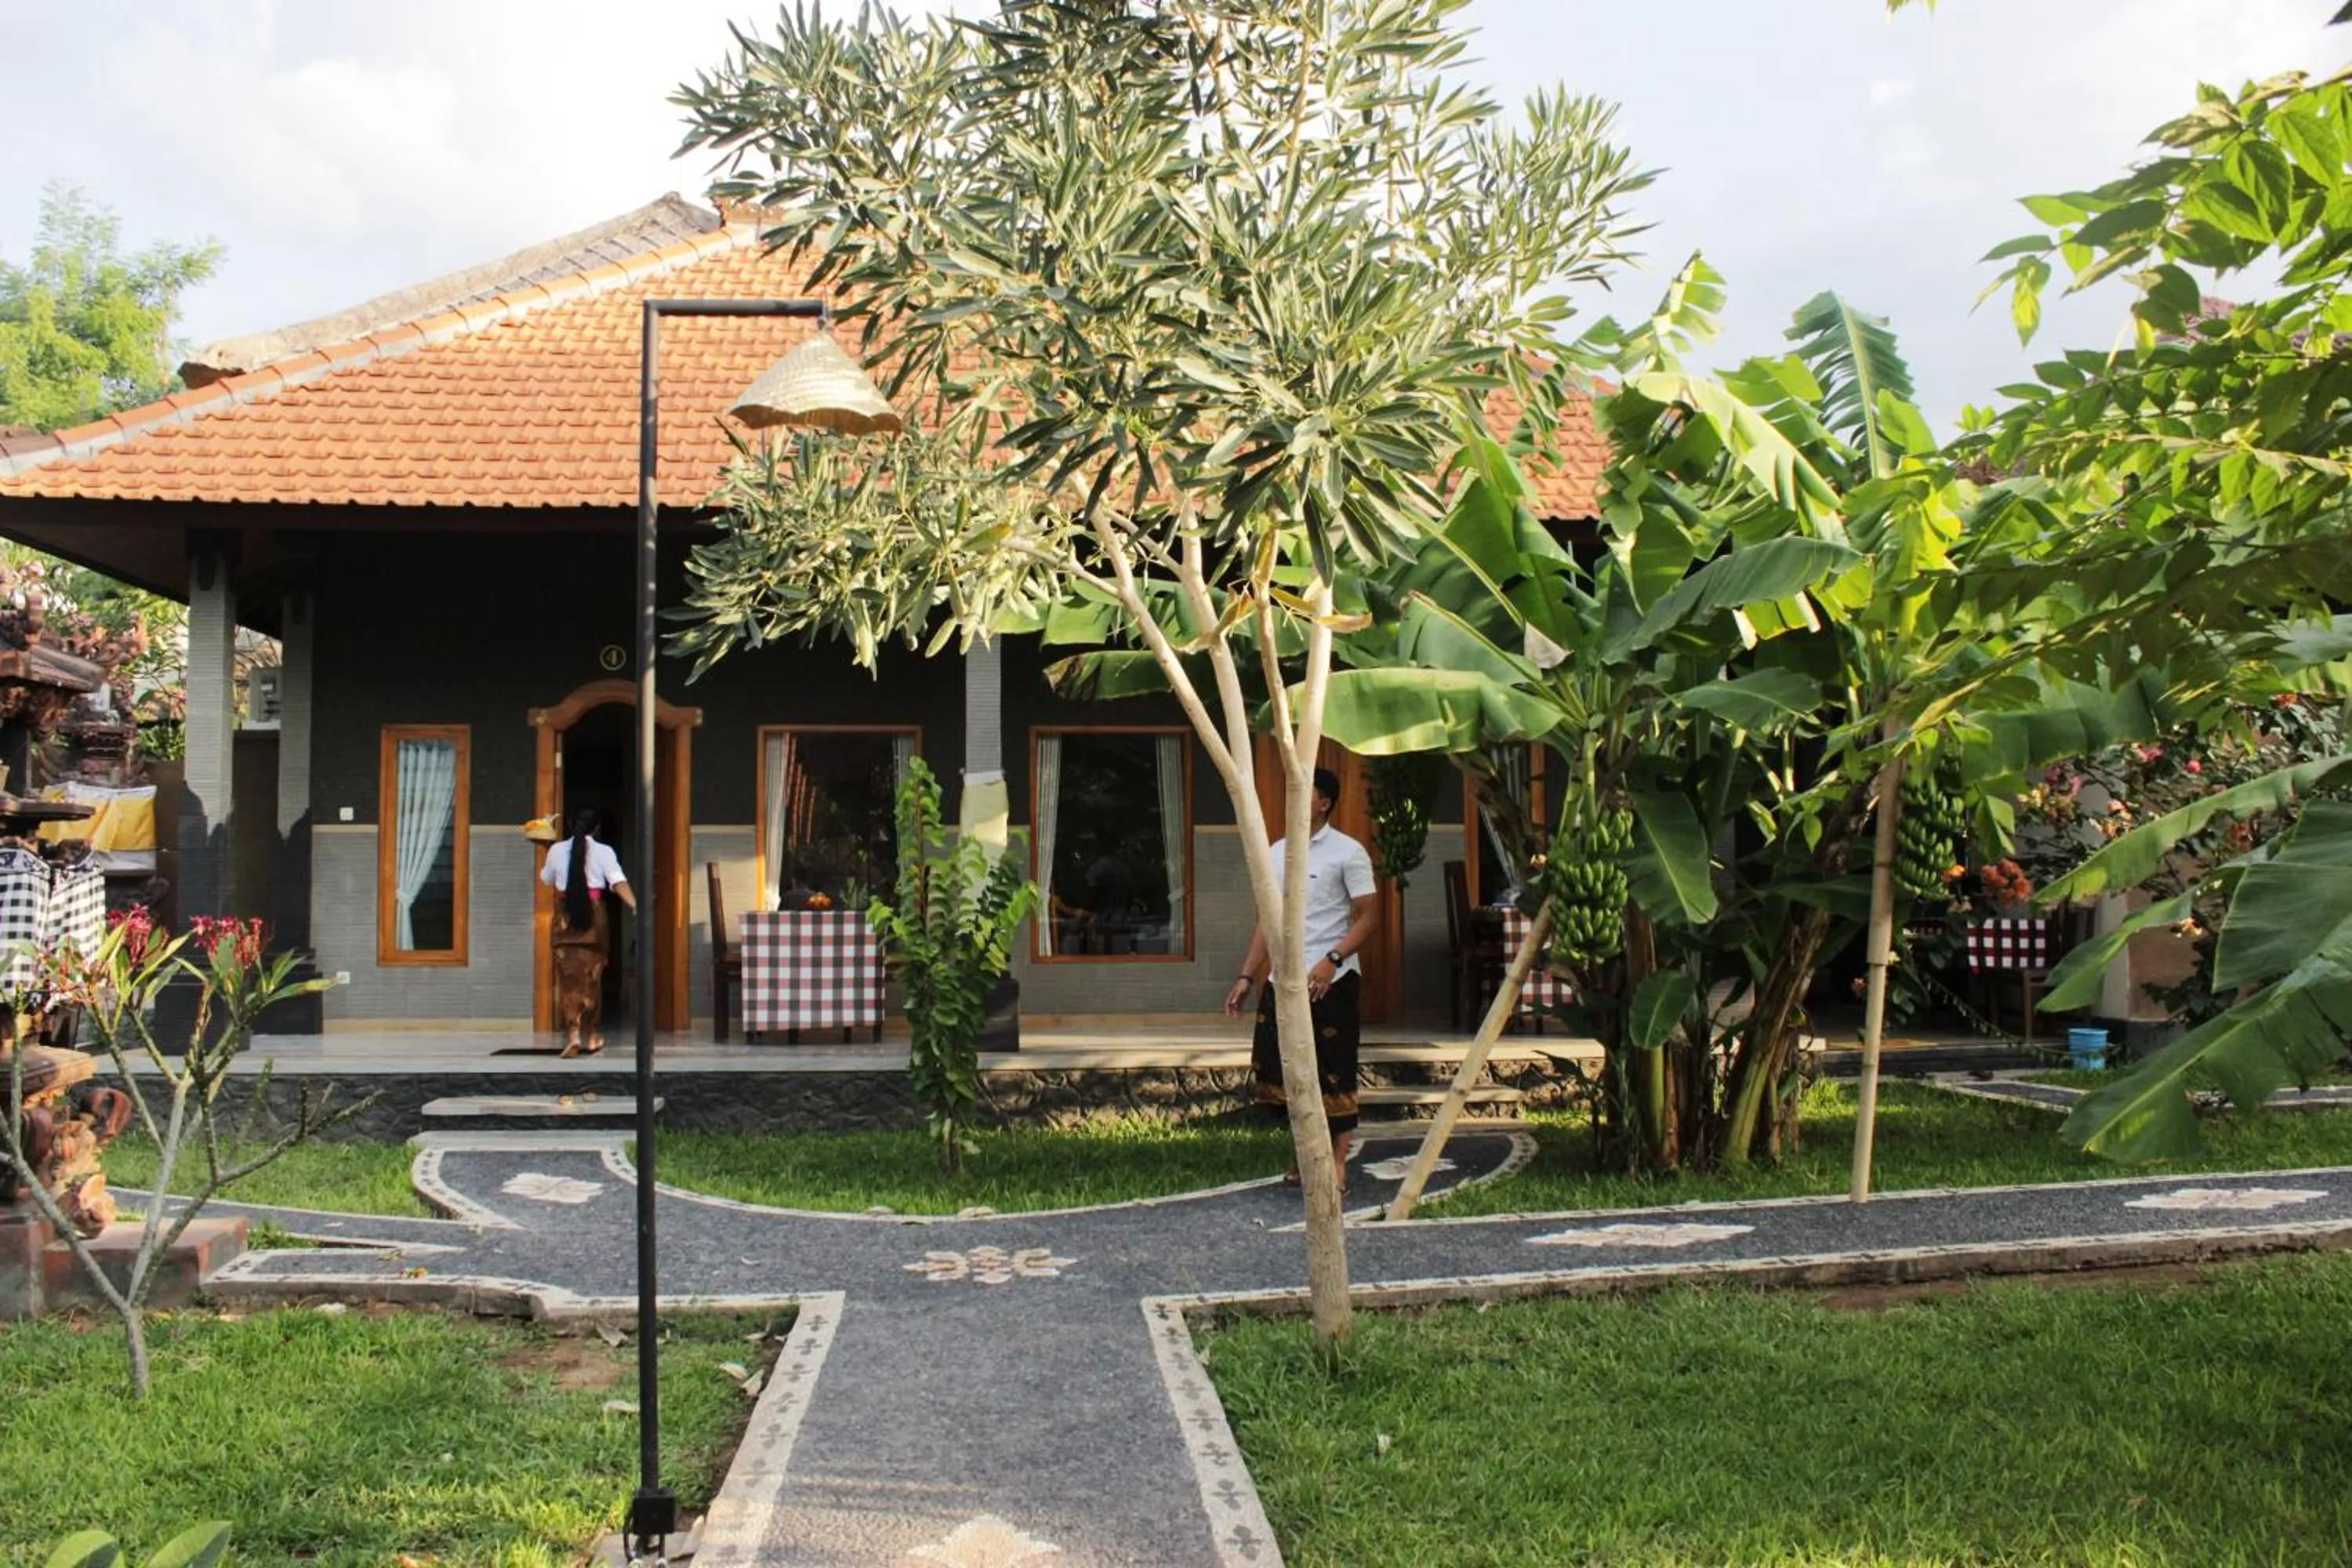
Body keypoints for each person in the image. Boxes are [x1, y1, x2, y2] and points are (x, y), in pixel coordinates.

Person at [1223, 766, 1380, 1192]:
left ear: (1324, 802)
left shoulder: (1348, 852)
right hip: (1282, 982)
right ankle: (1306, 1158)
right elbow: (1266, 922)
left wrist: (1333, 959)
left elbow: (1369, 917)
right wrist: (1246, 975)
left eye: (1304, 792)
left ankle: (1338, 1164)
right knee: (1286, 1074)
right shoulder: (1276, 852)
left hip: (1332, 979)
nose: (1294, 798)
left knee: (1334, 1071)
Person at [539, 808, 635, 1057]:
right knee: (592, 978)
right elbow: (618, 883)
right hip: (595, 919)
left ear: (571, 827)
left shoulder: (556, 850)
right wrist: (636, 906)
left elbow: (547, 879)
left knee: (569, 980)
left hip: (565, 919)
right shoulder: (604, 852)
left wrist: (545, 850)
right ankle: (592, 1035)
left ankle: (573, 1035)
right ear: (597, 828)